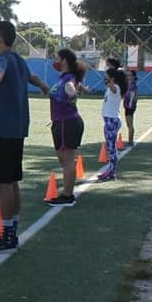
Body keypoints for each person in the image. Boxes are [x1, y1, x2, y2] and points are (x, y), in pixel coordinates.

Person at [0, 21, 49, 253]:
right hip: (18, 129)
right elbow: (31, 77)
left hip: (3, 129)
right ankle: (12, 231)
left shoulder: (3, 59)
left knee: (3, 183)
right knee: (13, 181)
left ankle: (6, 235)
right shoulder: (18, 59)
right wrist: (44, 86)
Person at [45, 48, 86, 206]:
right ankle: (67, 192)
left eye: (58, 57)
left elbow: (70, 86)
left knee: (67, 160)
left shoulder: (68, 78)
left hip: (67, 122)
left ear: (64, 61)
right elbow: (75, 84)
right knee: (64, 160)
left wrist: (72, 91)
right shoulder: (64, 77)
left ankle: (67, 196)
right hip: (61, 122)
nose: (56, 60)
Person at [99, 67, 127, 181]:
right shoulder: (112, 88)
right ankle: (110, 170)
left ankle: (111, 171)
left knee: (111, 148)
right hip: (109, 120)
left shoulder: (116, 88)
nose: (105, 77)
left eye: (107, 75)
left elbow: (112, 87)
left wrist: (110, 79)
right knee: (110, 147)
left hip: (112, 121)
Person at [124, 70, 138, 145]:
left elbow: (132, 94)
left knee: (130, 124)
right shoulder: (128, 84)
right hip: (126, 105)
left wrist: (130, 103)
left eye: (129, 75)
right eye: (127, 75)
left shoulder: (133, 85)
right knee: (128, 124)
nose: (128, 77)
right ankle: (130, 140)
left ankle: (130, 141)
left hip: (130, 106)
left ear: (133, 77)